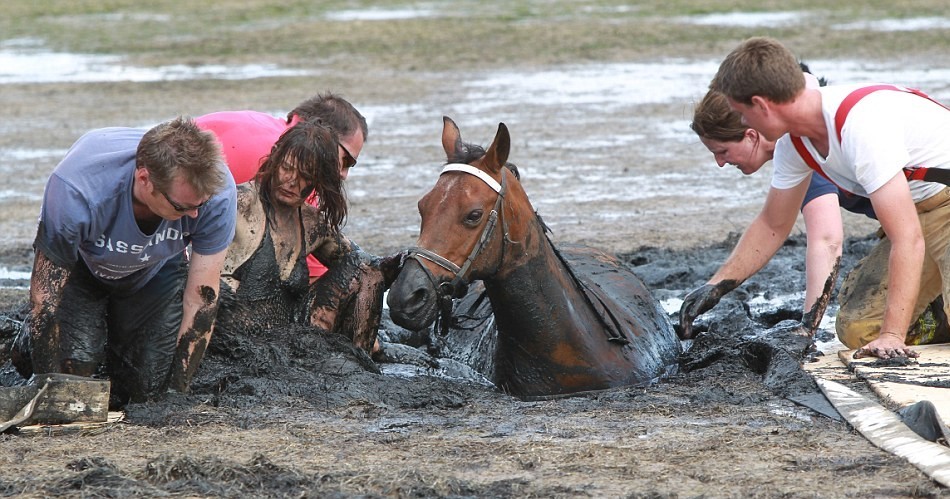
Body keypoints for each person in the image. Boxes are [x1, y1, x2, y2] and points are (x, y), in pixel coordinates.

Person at [679, 36, 950, 360]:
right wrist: (718, 285)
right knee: (858, 330)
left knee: (885, 336)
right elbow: (772, 225)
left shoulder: (859, 127)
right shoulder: (796, 144)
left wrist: (892, 336)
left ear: (761, 106)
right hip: (919, 214)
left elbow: (906, 239)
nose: (745, 125)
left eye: (742, 114)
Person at [11, 117, 237, 405]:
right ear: (145, 180)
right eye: (182, 207)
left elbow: (202, 299)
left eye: (200, 206)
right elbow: (45, 298)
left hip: (156, 269)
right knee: (75, 370)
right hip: (83, 267)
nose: (194, 216)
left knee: (147, 389)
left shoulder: (215, 194)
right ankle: (24, 343)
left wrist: (174, 396)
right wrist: (51, 392)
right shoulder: (77, 189)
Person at [214, 119, 396, 355]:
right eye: (287, 168)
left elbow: (367, 265)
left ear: (319, 182)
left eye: (305, 176)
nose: (291, 181)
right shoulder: (238, 204)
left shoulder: (312, 224)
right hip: (228, 342)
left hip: (286, 344)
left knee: (363, 269)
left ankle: (364, 355)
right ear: (275, 160)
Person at [195, 93, 367, 282]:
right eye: (346, 160)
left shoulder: (271, 133)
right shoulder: (291, 165)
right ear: (325, 136)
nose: (344, 174)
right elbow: (311, 270)